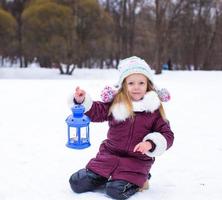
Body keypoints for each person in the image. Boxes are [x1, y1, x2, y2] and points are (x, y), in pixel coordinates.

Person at [68, 56, 174, 199]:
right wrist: (81, 100)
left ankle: (140, 180)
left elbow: (167, 134)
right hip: (108, 156)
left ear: (148, 85)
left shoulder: (153, 110)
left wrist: (150, 143)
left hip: (136, 162)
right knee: (77, 182)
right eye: (131, 83)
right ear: (124, 85)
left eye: (141, 83)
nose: (136, 87)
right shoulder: (116, 104)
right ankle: (103, 176)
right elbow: (96, 111)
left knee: (115, 191)